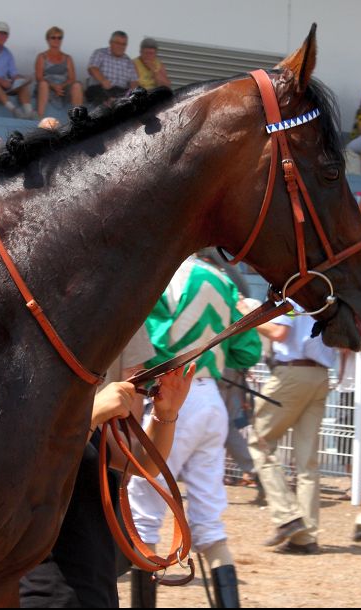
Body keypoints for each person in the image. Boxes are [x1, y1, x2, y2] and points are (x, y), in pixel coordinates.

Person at [127, 256, 261, 608]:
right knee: (209, 519)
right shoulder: (221, 279)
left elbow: (147, 345)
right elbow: (247, 353)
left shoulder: (156, 273)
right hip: (211, 401)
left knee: (144, 514)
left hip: (168, 399)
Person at [18, 342, 194, 609]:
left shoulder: (73, 406)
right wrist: (92, 414)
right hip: (44, 593)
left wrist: (165, 413)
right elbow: (39, 474)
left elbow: (143, 463)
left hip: (95, 589)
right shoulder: (17, 412)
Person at [240, 300, 337, 555]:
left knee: (259, 443)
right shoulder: (325, 296)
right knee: (307, 462)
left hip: (292, 374)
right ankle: (306, 537)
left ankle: (287, 516)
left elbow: (279, 332)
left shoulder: (292, 296)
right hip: (320, 375)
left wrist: (248, 317)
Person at [0, 21, 34, 119]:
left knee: (23, 86)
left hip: (3, 85)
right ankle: (14, 111)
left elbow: (13, 74)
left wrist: (23, 79)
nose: (2, 35)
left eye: (5, 33)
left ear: (7, 37)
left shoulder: (7, 53)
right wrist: (0, 80)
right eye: (0, 32)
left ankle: (29, 113)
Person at [35, 26, 83, 119]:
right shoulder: (42, 57)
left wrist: (62, 86)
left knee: (77, 85)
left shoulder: (68, 58)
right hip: (48, 87)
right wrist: (53, 86)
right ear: (48, 39)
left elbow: (72, 78)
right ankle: (39, 117)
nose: (56, 40)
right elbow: (39, 77)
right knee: (43, 84)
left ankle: (78, 119)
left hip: (64, 89)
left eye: (59, 37)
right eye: (53, 37)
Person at [86, 30, 139, 106]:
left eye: (123, 44)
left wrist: (134, 93)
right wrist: (103, 80)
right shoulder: (100, 53)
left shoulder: (129, 61)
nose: (121, 46)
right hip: (100, 88)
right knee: (101, 94)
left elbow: (134, 82)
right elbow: (92, 68)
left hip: (121, 91)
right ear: (110, 42)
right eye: (118, 43)